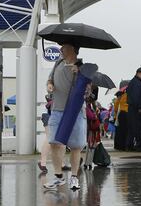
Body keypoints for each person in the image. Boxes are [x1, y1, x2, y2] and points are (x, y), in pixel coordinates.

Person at [43, 42, 91, 191]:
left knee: (76, 146)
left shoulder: (83, 67)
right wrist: (50, 85)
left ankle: (74, 178)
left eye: (64, 48)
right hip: (57, 109)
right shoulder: (58, 63)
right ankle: (58, 177)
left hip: (75, 112)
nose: (61, 50)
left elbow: (88, 91)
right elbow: (50, 79)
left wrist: (79, 75)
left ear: (73, 50)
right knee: (54, 142)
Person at [125, 67, 141, 152]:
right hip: (136, 109)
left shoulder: (134, 82)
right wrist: (139, 107)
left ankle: (129, 145)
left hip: (133, 108)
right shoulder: (136, 83)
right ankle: (139, 145)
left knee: (132, 128)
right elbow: (136, 97)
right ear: (138, 73)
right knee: (137, 127)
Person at [84, 87, 102, 170]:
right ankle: (89, 163)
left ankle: (86, 162)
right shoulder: (91, 104)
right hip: (92, 126)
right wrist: (95, 113)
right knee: (92, 144)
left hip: (88, 125)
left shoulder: (86, 103)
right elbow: (92, 116)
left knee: (89, 144)